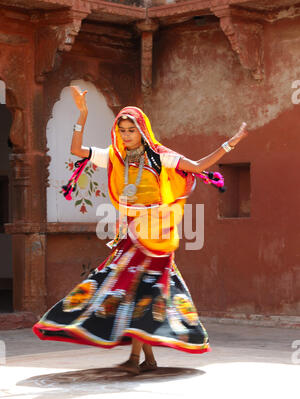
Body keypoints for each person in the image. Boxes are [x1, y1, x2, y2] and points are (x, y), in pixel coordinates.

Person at [33, 86, 248, 375]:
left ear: (142, 130)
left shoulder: (160, 157)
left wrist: (230, 144)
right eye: (121, 130)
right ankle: (146, 359)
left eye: (131, 130)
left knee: (140, 292)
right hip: (129, 235)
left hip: (157, 235)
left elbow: (197, 166)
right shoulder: (114, 156)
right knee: (134, 293)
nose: (126, 135)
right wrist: (81, 114)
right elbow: (76, 150)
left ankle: (136, 359)